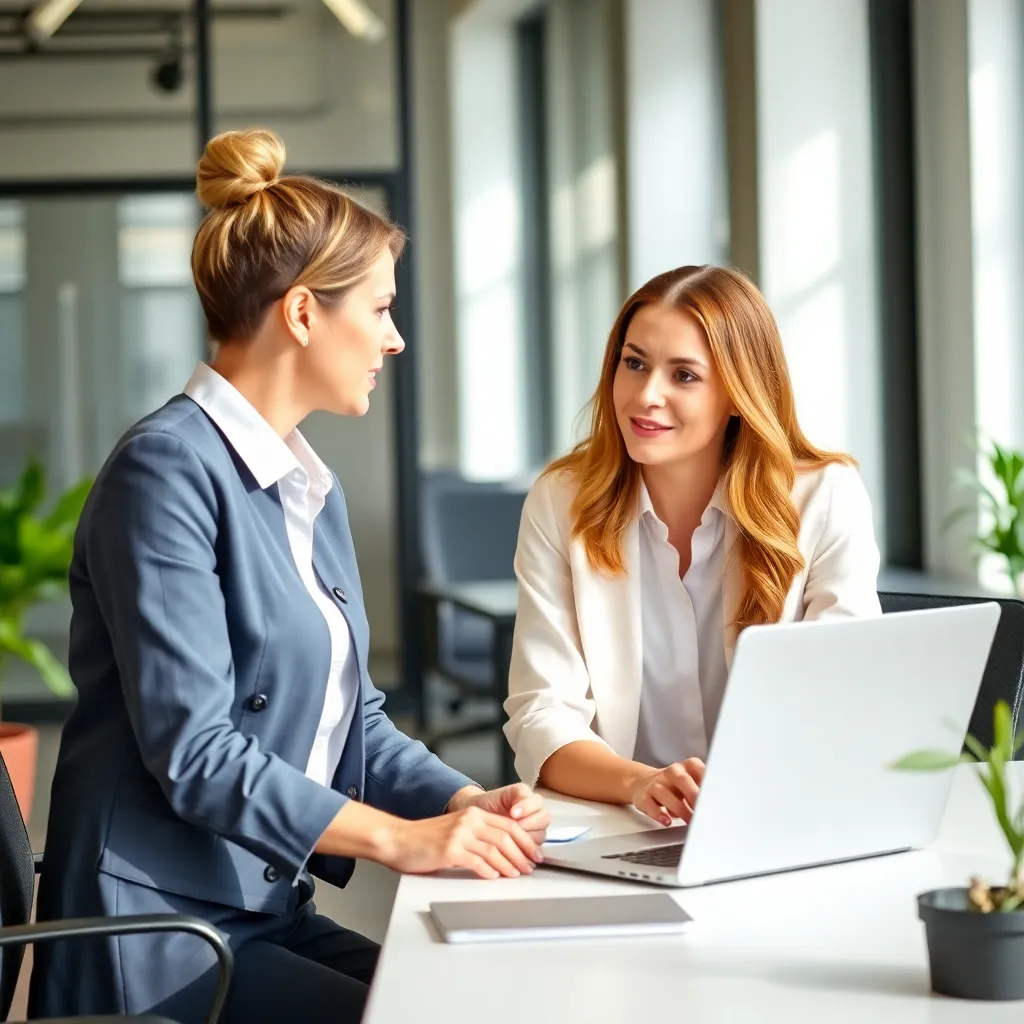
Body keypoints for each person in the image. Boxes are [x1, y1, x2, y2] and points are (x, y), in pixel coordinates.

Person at [29, 128, 549, 1024]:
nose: (393, 339)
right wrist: (405, 841)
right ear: (304, 315)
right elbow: (196, 754)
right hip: (162, 932)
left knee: (469, 1001)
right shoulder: (165, 471)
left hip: (259, 908)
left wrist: (465, 799)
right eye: (380, 309)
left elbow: (356, 719)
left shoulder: (301, 481)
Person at [503, 264, 880, 827]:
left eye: (684, 375)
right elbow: (541, 712)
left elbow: (845, 700)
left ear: (739, 392)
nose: (646, 395)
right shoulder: (562, 501)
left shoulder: (824, 495)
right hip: (623, 822)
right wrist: (642, 783)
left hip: (784, 815)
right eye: (634, 364)